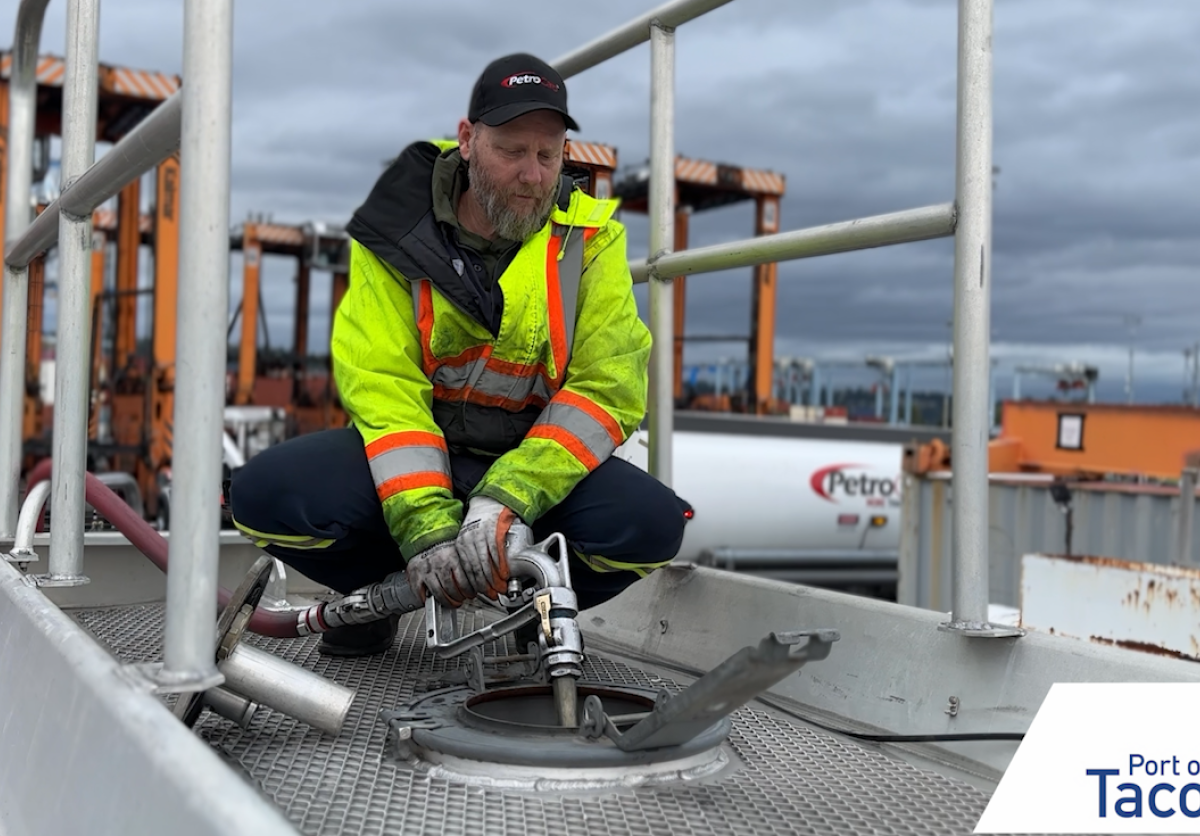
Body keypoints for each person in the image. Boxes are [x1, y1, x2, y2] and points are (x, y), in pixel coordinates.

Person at [228, 53, 692, 657]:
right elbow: (385, 388)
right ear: (468, 141)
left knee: (652, 527)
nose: (532, 174)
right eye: (512, 151)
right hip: (421, 461)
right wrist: (426, 530)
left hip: (530, 469)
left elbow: (609, 386)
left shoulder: (589, 240)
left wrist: (508, 497)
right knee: (262, 498)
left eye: (548, 155)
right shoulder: (395, 235)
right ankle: (375, 598)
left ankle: (533, 610)